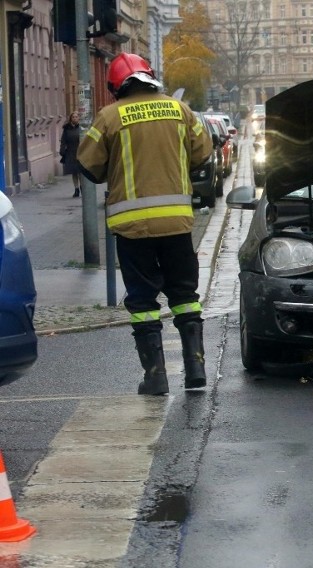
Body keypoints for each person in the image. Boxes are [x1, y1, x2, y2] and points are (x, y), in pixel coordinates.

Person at [77, 52, 213, 396]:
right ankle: (196, 367)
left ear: (115, 86)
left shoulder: (109, 117)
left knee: (142, 301)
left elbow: (87, 165)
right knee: (185, 295)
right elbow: (203, 152)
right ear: (150, 77)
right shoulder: (178, 110)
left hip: (132, 228)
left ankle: (156, 376)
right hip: (177, 225)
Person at [59, 112, 82, 197]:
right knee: (74, 172)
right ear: (71, 119)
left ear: (78, 118)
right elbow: (63, 140)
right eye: (73, 117)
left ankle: (82, 187)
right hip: (71, 152)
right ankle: (76, 189)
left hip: (80, 152)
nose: (75, 118)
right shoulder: (66, 129)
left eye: (76, 117)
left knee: (81, 172)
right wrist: (62, 150)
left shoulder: (81, 128)